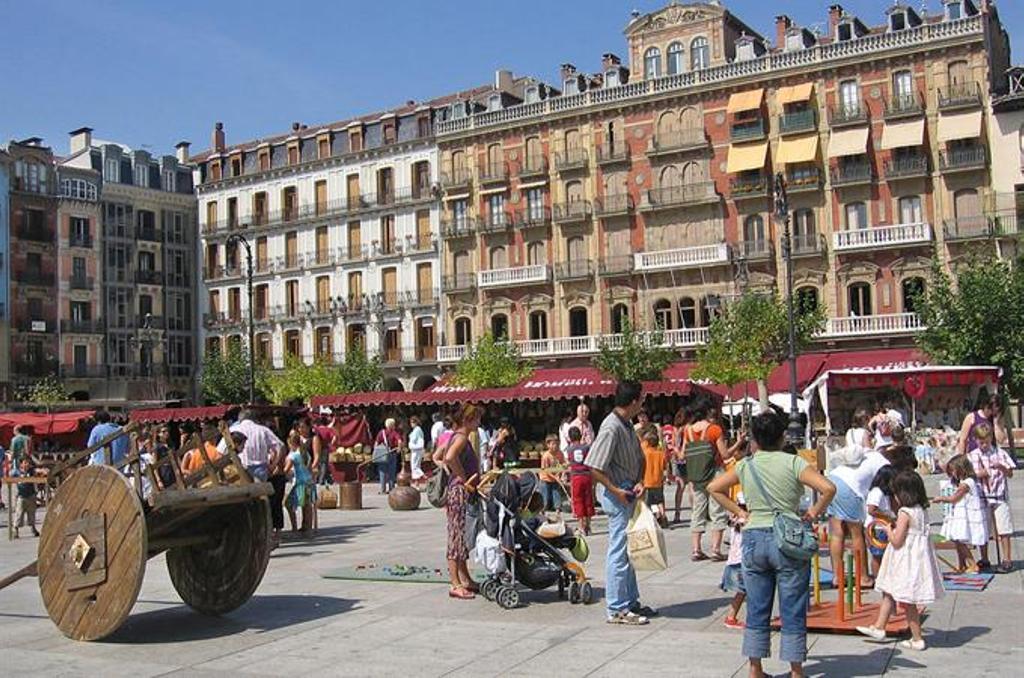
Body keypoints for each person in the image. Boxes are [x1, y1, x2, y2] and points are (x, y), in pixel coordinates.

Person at [708, 410, 836, 678]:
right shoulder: (793, 462)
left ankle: (755, 669)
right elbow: (828, 488)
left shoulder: (746, 465)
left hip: (754, 537)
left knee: (757, 606)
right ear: (782, 436)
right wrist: (812, 513)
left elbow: (714, 488)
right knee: (793, 606)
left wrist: (742, 513)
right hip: (788, 538)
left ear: (755, 438)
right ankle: (796, 671)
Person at [585, 380, 655, 625]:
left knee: (629, 551)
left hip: (628, 490)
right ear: (634, 401)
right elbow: (594, 466)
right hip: (618, 496)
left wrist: (639, 480)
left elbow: (637, 458)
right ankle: (616, 608)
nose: (643, 403)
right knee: (619, 552)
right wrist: (615, 490)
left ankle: (630, 601)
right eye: (642, 399)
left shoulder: (625, 424)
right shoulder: (611, 427)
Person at [856, 471, 944, 651]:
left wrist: (889, 530)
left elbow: (897, 541)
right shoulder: (921, 509)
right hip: (915, 558)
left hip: (904, 558)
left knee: (907, 599)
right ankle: (879, 627)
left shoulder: (905, 512)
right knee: (889, 590)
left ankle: (917, 638)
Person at [682, 396, 746, 562]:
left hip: (696, 475)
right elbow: (725, 455)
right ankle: (716, 549)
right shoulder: (714, 429)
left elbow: (682, 454)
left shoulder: (687, 430)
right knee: (717, 510)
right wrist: (738, 443)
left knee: (698, 510)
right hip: (714, 473)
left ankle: (696, 549)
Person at [826, 438, 892, 588]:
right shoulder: (881, 460)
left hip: (833, 479)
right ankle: (863, 577)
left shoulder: (867, 454)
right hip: (851, 487)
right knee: (857, 534)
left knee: (837, 533)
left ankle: (837, 576)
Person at [442, 403, 483, 600]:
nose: (479, 422)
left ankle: (465, 578)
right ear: (467, 420)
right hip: (458, 492)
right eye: (476, 418)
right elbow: (448, 457)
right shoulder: (461, 437)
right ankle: (455, 583)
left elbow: (442, 455)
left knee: (462, 537)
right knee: (456, 537)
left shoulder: (457, 437)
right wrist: (463, 477)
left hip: (460, 491)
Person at [966, 423, 1015, 573]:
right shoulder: (973, 455)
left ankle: (1007, 559)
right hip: (982, 497)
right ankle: (985, 558)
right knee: (983, 528)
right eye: (981, 442)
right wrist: (983, 472)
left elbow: (1010, 474)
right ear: (976, 440)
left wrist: (1002, 467)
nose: (984, 445)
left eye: (987, 441)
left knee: (1003, 529)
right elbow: (970, 475)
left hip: (999, 496)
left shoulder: (999, 453)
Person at [934, 455, 988, 573]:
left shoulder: (966, 483)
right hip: (960, 514)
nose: (952, 473)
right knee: (957, 539)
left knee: (960, 540)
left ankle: (972, 564)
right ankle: (962, 564)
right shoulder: (965, 481)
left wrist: (941, 498)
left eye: (953, 470)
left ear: (961, 469)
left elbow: (954, 498)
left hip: (967, 515)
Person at [225, 409, 283, 482]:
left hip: (239, 470)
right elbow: (281, 446)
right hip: (261, 470)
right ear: (254, 419)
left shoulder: (232, 430)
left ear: (240, 419)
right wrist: (273, 466)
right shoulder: (263, 430)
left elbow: (221, 451)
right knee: (260, 492)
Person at [865, 466, 897, 577]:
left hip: (883, 527)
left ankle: (884, 577)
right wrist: (888, 517)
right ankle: (877, 578)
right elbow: (872, 510)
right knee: (877, 555)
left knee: (885, 555)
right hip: (877, 528)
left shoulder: (885, 493)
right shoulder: (877, 492)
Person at [284, 432, 315, 534]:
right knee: (307, 505)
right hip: (309, 481)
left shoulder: (293, 456)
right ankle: (308, 527)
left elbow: (286, 470)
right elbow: (310, 468)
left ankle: (294, 527)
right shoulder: (306, 454)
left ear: (291, 443)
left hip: (300, 483)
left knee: (288, 504)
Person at [721, 512, 747, 631]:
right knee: (744, 591)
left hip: (735, 560)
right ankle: (731, 617)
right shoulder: (743, 522)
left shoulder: (736, 520)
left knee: (743, 592)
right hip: (740, 561)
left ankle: (731, 617)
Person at [566, 426, 594, 535]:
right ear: (581, 435)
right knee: (588, 500)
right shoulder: (586, 448)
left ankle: (581, 526)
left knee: (578, 501)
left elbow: (569, 462)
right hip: (586, 475)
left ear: (569, 438)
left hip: (576, 476)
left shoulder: (569, 450)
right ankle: (589, 526)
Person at [640, 425, 668, 527]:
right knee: (659, 500)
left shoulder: (645, 453)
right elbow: (665, 466)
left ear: (647, 442)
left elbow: (641, 466)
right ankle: (663, 515)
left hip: (647, 482)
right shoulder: (661, 453)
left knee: (649, 503)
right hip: (658, 481)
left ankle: (653, 518)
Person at [670, 408, 692, 524]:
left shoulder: (674, 428)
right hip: (686, 458)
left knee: (680, 487)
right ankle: (695, 513)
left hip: (676, 460)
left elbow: (673, 444)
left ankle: (677, 514)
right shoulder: (688, 428)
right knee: (691, 487)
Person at [13, 457, 40, 538]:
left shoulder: (31, 471)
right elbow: (10, 478)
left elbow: (37, 476)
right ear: (21, 464)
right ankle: (15, 529)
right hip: (21, 496)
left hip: (31, 495)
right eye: (25, 463)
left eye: (28, 463)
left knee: (31, 513)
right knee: (19, 513)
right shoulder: (16, 472)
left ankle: (33, 528)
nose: (27, 464)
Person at [538, 434, 566, 512]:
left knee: (556, 492)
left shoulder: (560, 453)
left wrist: (563, 469)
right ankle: (543, 507)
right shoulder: (546, 456)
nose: (555, 446)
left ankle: (557, 507)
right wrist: (555, 477)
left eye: (557, 444)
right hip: (545, 478)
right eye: (553, 444)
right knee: (545, 494)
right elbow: (546, 470)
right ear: (548, 445)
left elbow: (563, 463)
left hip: (555, 477)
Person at [374, 418, 402, 494]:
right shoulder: (394, 433)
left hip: (382, 454)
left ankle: (383, 489)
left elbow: (376, 443)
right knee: (391, 472)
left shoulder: (381, 432)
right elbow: (399, 440)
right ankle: (391, 488)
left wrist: (376, 452)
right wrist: (399, 448)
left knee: (382, 472)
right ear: (392, 425)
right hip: (392, 453)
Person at [408, 416, 426, 481]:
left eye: (412, 422)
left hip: (416, 449)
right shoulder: (416, 430)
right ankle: (417, 482)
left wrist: (411, 445)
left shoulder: (417, 430)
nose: (411, 424)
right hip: (416, 449)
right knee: (415, 466)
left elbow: (414, 439)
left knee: (415, 466)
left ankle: (424, 476)